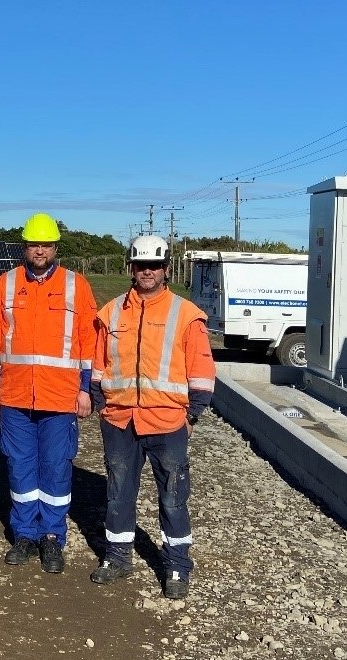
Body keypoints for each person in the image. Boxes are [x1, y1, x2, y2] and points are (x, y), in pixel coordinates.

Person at [89, 234, 216, 599]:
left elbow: (202, 372)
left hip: (168, 422)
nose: (147, 271)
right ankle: (117, 557)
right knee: (118, 493)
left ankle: (176, 565)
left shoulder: (186, 315)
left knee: (173, 496)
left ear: (165, 269)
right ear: (131, 266)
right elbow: (98, 367)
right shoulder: (111, 312)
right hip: (119, 420)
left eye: (155, 266)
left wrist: (192, 415)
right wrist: (102, 403)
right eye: (141, 264)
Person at [0, 213, 98, 574]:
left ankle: (52, 536)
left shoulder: (77, 286)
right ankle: (24, 534)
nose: (40, 251)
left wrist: (85, 390)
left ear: (55, 247)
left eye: (46, 245)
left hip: (60, 396)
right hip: (16, 395)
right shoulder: (7, 283)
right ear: (25, 247)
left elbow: (88, 342)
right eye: (34, 244)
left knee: (56, 468)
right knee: (19, 467)